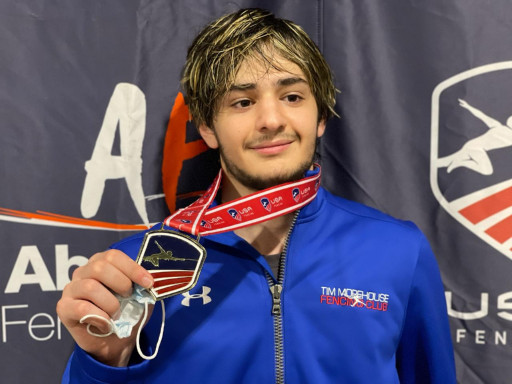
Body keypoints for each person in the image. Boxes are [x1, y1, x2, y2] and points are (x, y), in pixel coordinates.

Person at [57, 8, 456, 383]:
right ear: (209, 129)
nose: (271, 120)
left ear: (320, 116)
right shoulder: (139, 269)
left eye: (293, 96)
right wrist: (103, 364)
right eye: (242, 102)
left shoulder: (398, 249)